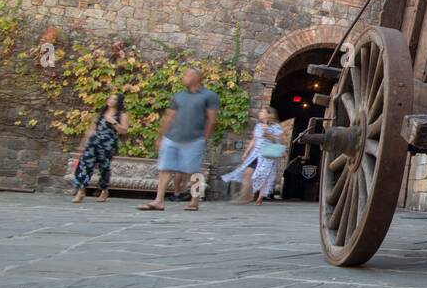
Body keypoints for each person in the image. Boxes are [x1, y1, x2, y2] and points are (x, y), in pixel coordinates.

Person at [137, 67, 219, 212]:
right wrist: (160, 136)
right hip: (172, 138)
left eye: (187, 74)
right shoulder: (179, 95)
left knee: (194, 171)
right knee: (165, 168)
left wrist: (204, 137)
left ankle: (195, 201)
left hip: (194, 139)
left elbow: (212, 120)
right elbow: (169, 116)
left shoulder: (209, 96)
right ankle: (159, 201)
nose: (184, 77)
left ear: (198, 78)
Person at [71, 93, 129, 203]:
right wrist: (83, 144)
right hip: (93, 142)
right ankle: (81, 191)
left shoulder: (122, 115)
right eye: (110, 98)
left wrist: (113, 122)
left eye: (114, 99)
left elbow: (124, 130)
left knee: (104, 167)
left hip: (108, 144)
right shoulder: (101, 113)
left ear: (119, 102)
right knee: (85, 165)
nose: (111, 100)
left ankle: (104, 190)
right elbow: (91, 129)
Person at [221, 107, 285, 205]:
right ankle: (246, 196)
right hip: (255, 154)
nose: (260, 113)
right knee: (247, 173)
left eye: (262, 111)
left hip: (267, 155)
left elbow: (280, 141)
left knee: (263, 176)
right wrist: (246, 152)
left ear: (269, 114)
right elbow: (254, 140)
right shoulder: (258, 126)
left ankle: (259, 197)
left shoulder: (276, 127)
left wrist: (269, 135)